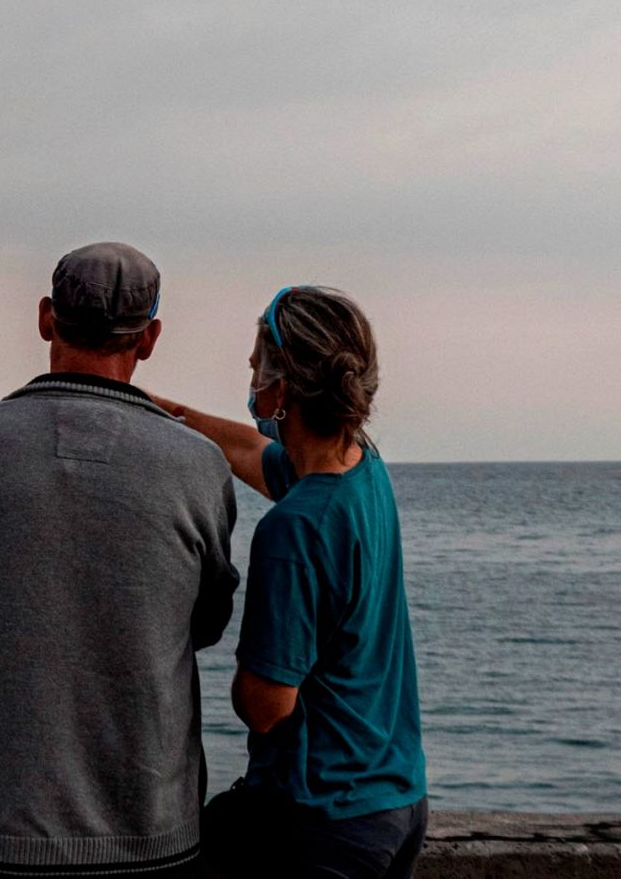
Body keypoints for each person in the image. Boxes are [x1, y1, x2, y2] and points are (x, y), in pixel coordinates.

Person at [0, 242, 239, 878]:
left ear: (45, 318)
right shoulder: (198, 463)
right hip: (145, 838)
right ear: (149, 339)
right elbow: (205, 622)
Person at [153, 287, 427, 878]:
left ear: (280, 392)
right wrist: (164, 413)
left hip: (321, 821)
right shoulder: (362, 469)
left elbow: (266, 707)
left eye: (256, 368)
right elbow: (251, 449)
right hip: (394, 802)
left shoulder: (293, 529)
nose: (250, 380)